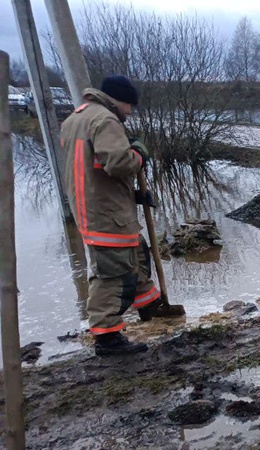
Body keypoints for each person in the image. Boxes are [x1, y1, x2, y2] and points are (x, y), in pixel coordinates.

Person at [60, 75, 174, 356]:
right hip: (105, 215)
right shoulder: (105, 120)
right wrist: (139, 155)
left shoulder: (77, 118)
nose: (130, 112)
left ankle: (149, 305)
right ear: (119, 100)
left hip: (94, 207)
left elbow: (93, 170)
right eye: (130, 106)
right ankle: (107, 337)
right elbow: (120, 164)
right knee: (112, 274)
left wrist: (133, 196)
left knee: (136, 254)